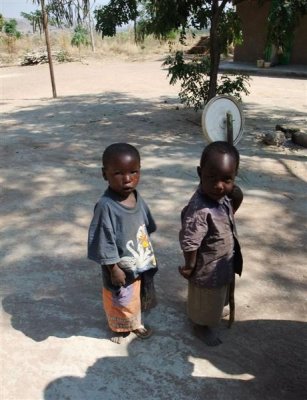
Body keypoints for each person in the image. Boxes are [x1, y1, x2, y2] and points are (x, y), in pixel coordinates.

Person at [88, 143, 158, 344]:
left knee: (135, 294)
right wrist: (113, 268)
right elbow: (103, 240)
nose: (127, 179)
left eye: (133, 172)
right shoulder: (106, 206)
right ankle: (119, 327)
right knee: (120, 298)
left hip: (138, 259)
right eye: (118, 173)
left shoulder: (135, 196)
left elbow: (145, 223)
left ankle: (135, 322)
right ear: (105, 174)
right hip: (119, 265)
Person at [178, 141, 243, 346]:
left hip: (223, 262)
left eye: (226, 179)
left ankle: (210, 314)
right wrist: (189, 266)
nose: (218, 185)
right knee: (205, 299)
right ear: (200, 173)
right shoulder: (199, 209)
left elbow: (232, 209)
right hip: (206, 268)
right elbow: (190, 241)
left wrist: (236, 194)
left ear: (234, 176)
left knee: (217, 295)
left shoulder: (222, 196)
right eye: (211, 177)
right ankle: (200, 325)